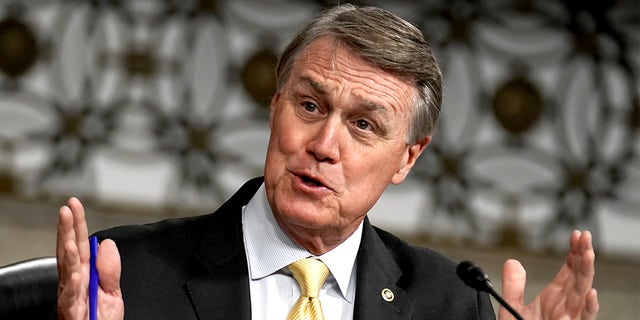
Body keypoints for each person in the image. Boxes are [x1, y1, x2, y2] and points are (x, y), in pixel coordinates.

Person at [56, 4, 599, 320]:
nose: (324, 144)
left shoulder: (454, 304)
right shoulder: (124, 274)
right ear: (275, 109)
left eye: (364, 125)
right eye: (310, 106)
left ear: (408, 158)